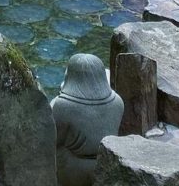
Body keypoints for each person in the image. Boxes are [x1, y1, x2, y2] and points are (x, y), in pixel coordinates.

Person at [51, 53, 124, 186]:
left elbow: (53, 140)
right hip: (108, 165)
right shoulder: (118, 101)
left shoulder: (63, 105)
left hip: (73, 170)